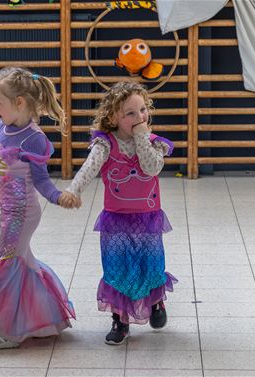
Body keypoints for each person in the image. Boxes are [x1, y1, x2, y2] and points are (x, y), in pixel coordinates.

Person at [0, 67, 77, 350]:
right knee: (23, 263)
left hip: (24, 213)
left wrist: (59, 197)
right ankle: (44, 316)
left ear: (19, 102)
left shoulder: (33, 138)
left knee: (6, 262)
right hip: (7, 210)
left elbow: (42, 181)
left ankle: (8, 331)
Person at [65, 81, 177, 345]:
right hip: (116, 219)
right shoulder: (104, 144)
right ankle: (120, 319)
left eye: (143, 110)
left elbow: (151, 168)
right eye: (130, 113)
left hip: (147, 217)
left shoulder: (154, 144)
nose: (139, 118)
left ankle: (156, 302)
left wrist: (141, 136)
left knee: (151, 264)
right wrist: (74, 189)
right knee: (117, 268)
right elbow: (90, 167)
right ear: (113, 117)